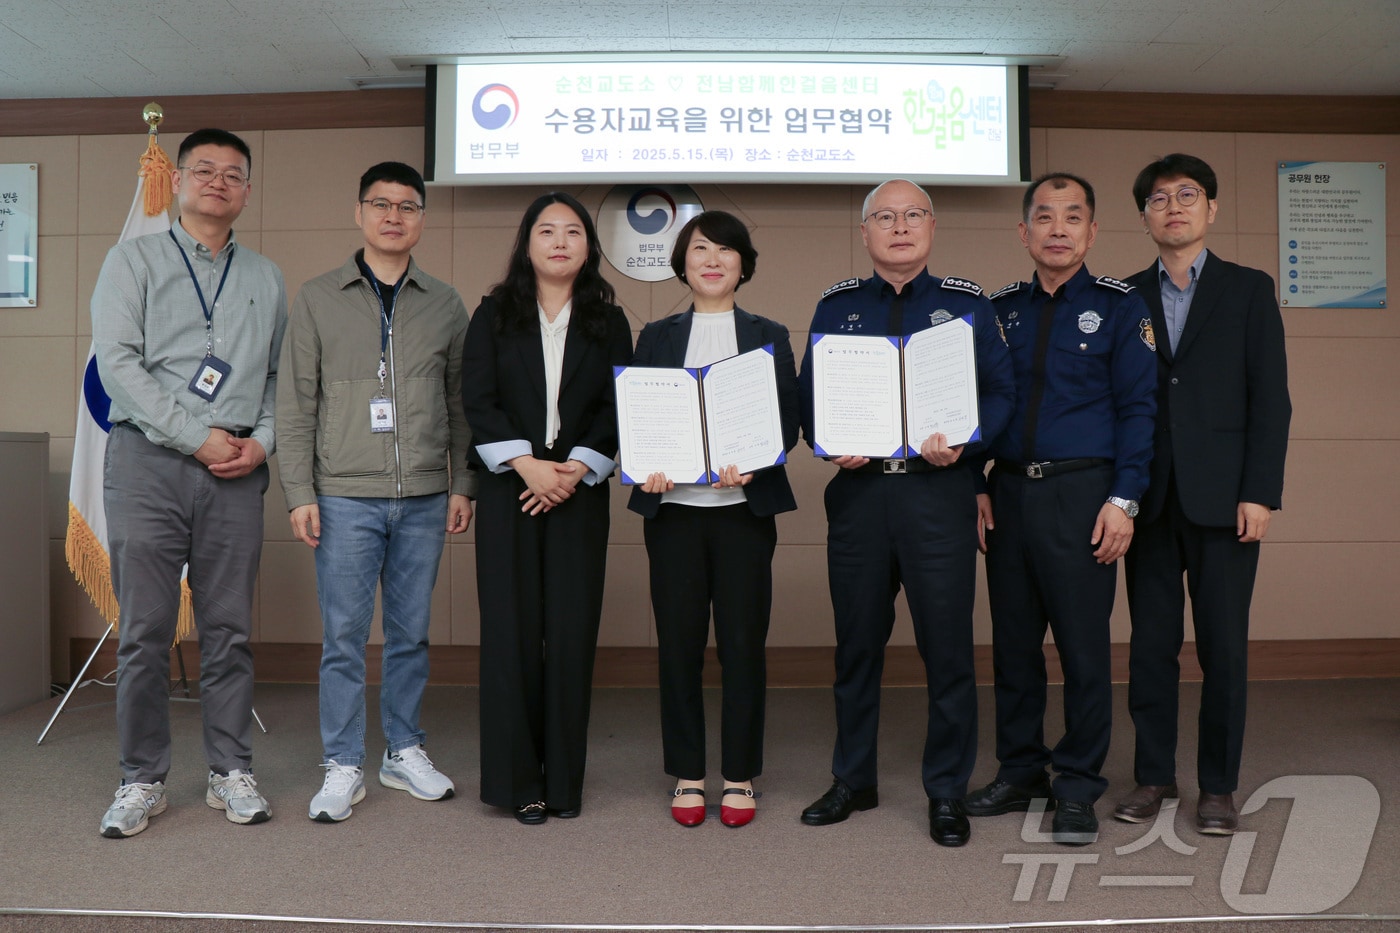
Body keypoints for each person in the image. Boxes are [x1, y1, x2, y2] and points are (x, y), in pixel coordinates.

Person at [797, 179, 1015, 847]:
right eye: (884, 217)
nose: (899, 227)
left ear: (932, 227)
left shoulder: (966, 305)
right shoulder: (838, 305)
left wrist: (968, 446)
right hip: (861, 498)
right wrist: (833, 441)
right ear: (865, 234)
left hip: (937, 495)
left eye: (913, 215)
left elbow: (1002, 393)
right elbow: (809, 396)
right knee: (856, 646)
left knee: (947, 649)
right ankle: (853, 779)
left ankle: (946, 790)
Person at [92, 128, 287, 837]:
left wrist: (259, 444)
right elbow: (118, 365)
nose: (218, 181)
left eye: (233, 173)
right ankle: (141, 778)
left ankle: (229, 768)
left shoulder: (265, 276)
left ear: (246, 190)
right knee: (145, 630)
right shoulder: (132, 259)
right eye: (203, 169)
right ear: (176, 181)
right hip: (149, 460)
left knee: (230, 630)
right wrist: (195, 436)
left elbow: (274, 379)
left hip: (236, 468)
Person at [276, 162, 477, 822]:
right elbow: (296, 401)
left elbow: (460, 403)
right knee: (343, 636)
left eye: (408, 206)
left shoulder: (445, 302)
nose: (395, 216)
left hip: (422, 494)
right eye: (381, 204)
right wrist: (300, 489)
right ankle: (342, 762)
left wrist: (462, 481)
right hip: (342, 496)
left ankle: (403, 749)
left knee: (411, 634)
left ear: (422, 219)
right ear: (359, 213)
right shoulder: (317, 297)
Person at [963, 172, 1157, 845]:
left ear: (1092, 231)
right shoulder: (1000, 310)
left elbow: (1140, 411)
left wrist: (1124, 499)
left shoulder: (1121, 307)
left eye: (1072, 217)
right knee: (1014, 648)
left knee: (1082, 650)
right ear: (1023, 232)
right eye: (1044, 217)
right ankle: (1020, 771)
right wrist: (975, 482)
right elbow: (978, 405)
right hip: (1010, 492)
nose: (1057, 229)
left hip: (1084, 496)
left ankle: (1076, 784)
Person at [1116, 154, 1291, 835]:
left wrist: (1261, 491)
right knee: (1150, 648)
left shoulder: (1249, 289)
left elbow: (1270, 400)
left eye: (1187, 195)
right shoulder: (1124, 295)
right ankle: (1153, 776)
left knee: (1224, 646)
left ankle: (1217, 786)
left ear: (1211, 209)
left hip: (1226, 503)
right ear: (1145, 217)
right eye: (1159, 198)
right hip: (1151, 500)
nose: (1174, 206)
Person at [461, 192, 633, 824]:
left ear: (589, 246)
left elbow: (621, 403)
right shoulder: (494, 312)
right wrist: (526, 463)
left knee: (569, 636)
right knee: (509, 637)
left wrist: (580, 466)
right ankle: (518, 783)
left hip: (578, 492)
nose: (560, 242)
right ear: (526, 243)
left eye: (573, 232)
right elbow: (476, 397)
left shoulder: (607, 319)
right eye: (546, 231)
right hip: (512, 491)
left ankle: (563, 782)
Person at [627, 211, 800, 829]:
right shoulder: (656, 334)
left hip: (743, 515)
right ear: (682, 262)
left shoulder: (769, 333)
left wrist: (755, 463)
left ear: (743, 265)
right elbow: (639, 415)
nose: (713, 258)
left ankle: (740, 775)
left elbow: (788, 420)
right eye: (701, 247)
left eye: (727, 250)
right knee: (678, 646)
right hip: (673, 512)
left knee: (742, 646)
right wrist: (647, 463)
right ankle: (688, 773)